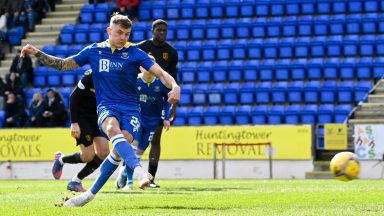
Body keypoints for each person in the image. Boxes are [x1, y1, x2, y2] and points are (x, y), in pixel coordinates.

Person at [20, 13, 180, 207]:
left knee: (119, 150)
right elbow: (63, 65)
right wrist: (37, 52)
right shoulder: (94, 51)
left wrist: (175, 86)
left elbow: (162, 73)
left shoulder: (135, 52)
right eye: (119, 33)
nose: (123, 37)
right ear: (109, 31)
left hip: (131, 109)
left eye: (127, 34)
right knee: (112, 129)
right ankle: (138, 171)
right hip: (107, 107)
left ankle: (88, 195)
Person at [116, 55, 171, 190]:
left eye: (152, 64)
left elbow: (167, 101)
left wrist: (167, 118)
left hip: (153, 121)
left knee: (139, 153)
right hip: (137, 119)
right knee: (133, 149)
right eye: (147, 64)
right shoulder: (134, 80)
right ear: (141, 66)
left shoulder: (161, 82)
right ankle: (129, 183)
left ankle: (124, 171)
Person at [51, 69, 110, 192]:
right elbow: (73, 98)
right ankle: (61, 159)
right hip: (83, 119)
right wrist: (74, 123)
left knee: (104, 152)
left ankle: (75, 181)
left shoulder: (115, 78)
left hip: (99, 118)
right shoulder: (91, 76)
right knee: (88, 156)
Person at [137, 19, 178, 188]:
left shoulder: (172, 52)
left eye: (164, 30)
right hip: (139, 99)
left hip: (158, 100)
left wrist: (173, 106)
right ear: (152, 30)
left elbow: (174, 80)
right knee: (133, 139)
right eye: (159, 30)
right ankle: (128, 175)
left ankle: (150, 178)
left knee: (155, 140)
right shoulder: (140, 47)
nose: (161, 33)